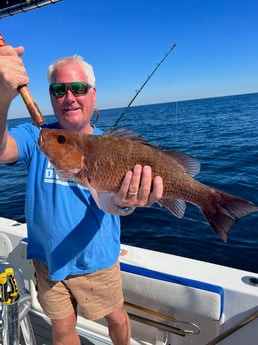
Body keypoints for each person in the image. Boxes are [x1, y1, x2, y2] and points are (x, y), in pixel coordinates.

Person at [0, 43, 164, 345]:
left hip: (97, 259)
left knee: (116, 317)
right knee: (62, 330)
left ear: (93, 94)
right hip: (48, 261)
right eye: (59, 90)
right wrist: (3, 97)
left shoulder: (110, 146)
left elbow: (113, 204)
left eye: (78, 87)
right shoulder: (40, 137)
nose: (69, 97)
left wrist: (125, 205)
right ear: (50, 96)